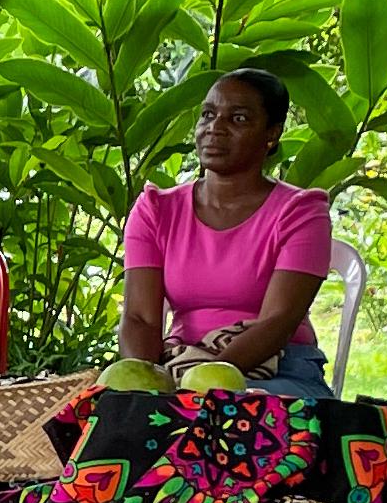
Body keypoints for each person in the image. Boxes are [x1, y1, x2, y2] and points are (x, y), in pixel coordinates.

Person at [119, 68, 332, 393]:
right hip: (181, 363)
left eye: (239, 119)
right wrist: (146, 384)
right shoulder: (155, 211)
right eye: (208, 115)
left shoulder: (301, 213)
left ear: (271, 134)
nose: (215, 128)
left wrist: (207, 384)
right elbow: (140, 319)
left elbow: (279, 322)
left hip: (280, 370)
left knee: (233, 426)